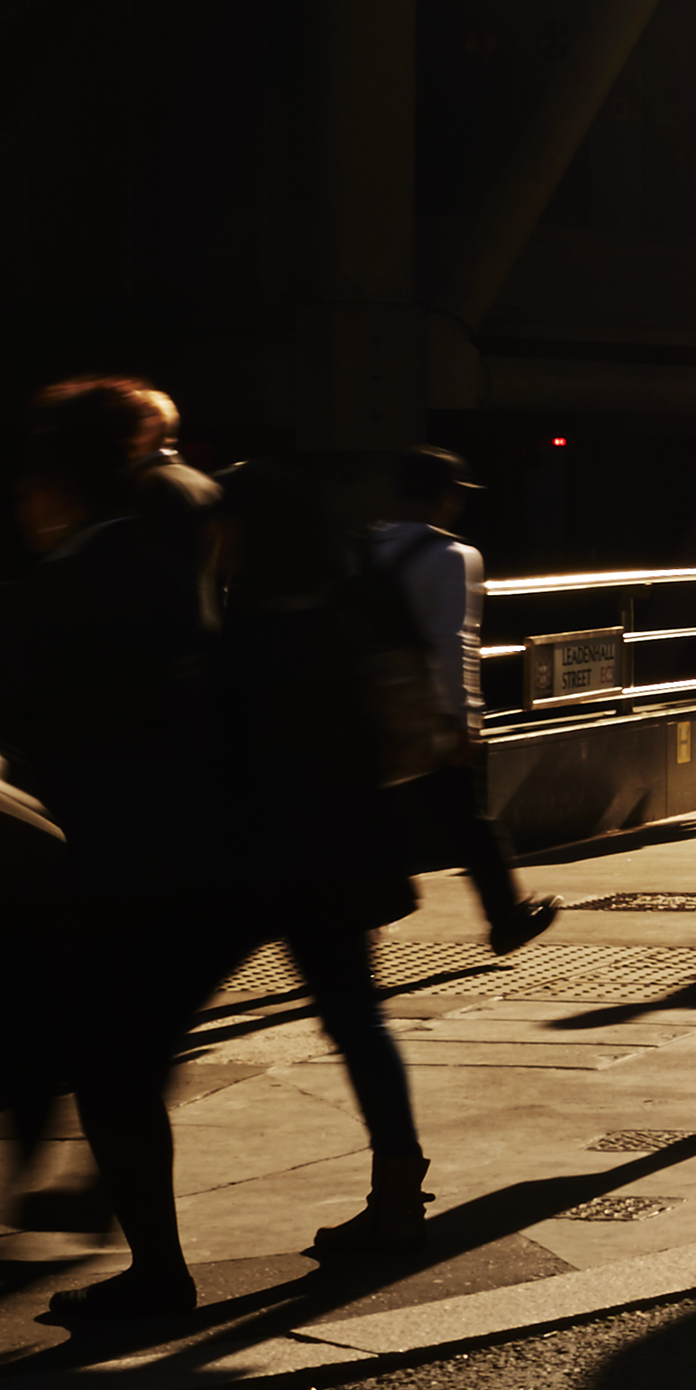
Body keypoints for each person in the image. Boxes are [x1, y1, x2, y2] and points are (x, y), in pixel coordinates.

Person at [0, 377, 239, 1337]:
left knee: (114, 1069)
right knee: (124, 1064)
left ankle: (156, 1273)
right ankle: (138, 1250)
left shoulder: (85, 576)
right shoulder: (159, 557)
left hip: (108, 856)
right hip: (181, 843)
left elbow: (8, 712)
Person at [212, 459, 436, 1258]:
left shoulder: (258, 614)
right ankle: (397, 1189)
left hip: (268, 848)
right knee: (356, 1018)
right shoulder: (354, 592)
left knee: (151, 1020)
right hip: (348, 839)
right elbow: (413, 718)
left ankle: (101, 1196)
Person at [377, 449, 553, 947]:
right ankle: (506, 916)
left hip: (368, 708)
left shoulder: (362, 548)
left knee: (371, 817)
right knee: (467, 819)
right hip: (427, 712)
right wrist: (463, 719)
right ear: (445, 498)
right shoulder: (453, 556)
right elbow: (454, 639)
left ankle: (372, 915)